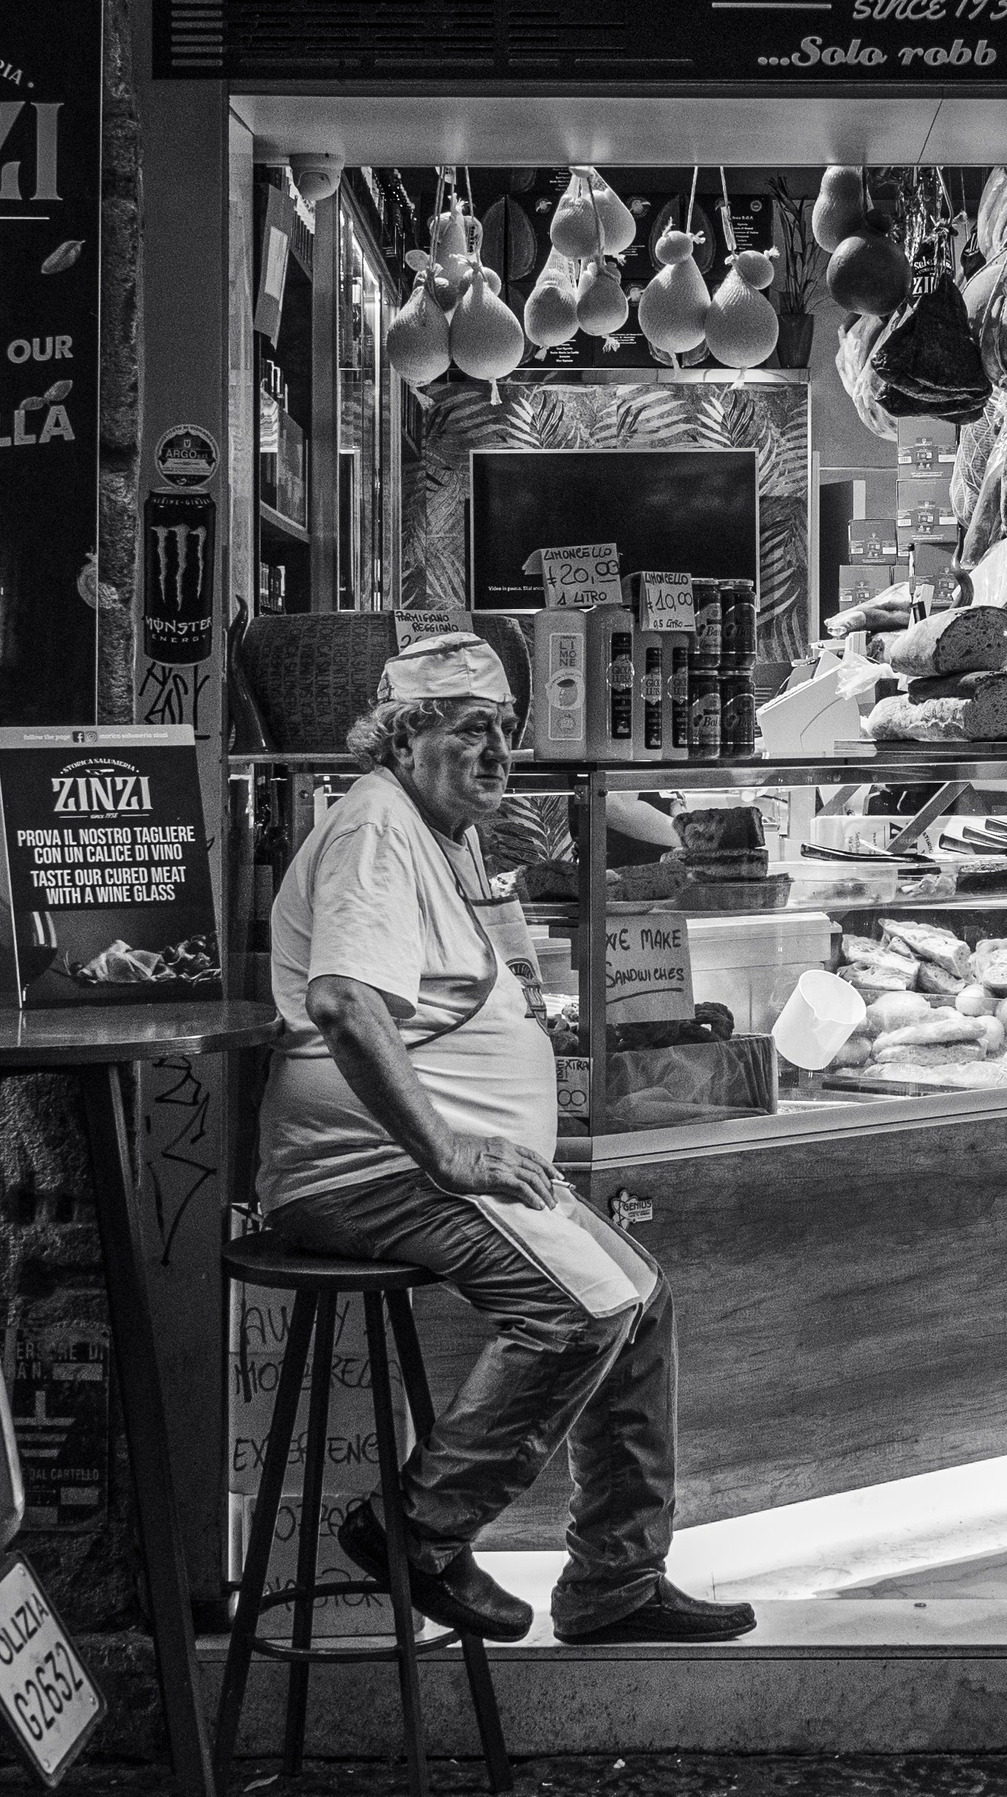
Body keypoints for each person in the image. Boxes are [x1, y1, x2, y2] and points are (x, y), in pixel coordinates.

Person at [256, 632, 754, 1647]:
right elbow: (348, 1003)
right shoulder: (377, 833)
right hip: (373, 1169)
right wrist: (446, 1149)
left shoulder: (440, 828)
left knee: (641, 1302)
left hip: (439, 1162)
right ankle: (415, 1530)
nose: (496, 754)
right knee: (580, 1311)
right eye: (469, 731)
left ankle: (614, 1578)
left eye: (507, 732)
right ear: (402, 738)